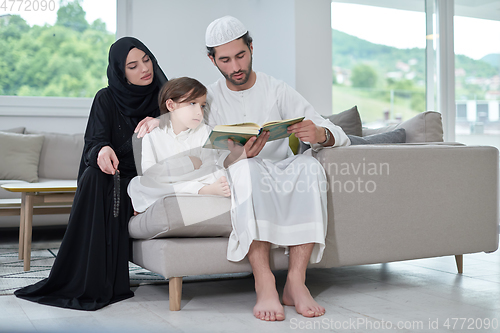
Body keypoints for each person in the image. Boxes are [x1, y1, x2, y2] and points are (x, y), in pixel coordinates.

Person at [204, 16, 351, 321]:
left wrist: (320, 134)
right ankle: (265, 281)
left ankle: (296, 282)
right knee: (247, 169)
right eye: (226, 60)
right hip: (243, 172)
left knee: (310, 167)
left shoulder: (277, 89)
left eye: (241, 55)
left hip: (282, 170)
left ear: (252, 47)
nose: (235, 67)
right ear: (212, 60)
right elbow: (203, 158)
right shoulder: (209, 99)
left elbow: (334, 130)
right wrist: (239, 157)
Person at [14, 37, 167, 311]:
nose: (144, 68)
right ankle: (88, 279)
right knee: (95, 177)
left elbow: (194, 118)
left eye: (147, 60)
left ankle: (104, 279)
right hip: (114, 175)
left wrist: (162, 120)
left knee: (108, 183)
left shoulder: (165, 99)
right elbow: (94, 142)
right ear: (121, 72)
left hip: (148, 180)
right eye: (133, 65)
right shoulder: (106, 98)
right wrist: (102, 150)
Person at [128, 77, 230, 214]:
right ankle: (199, 191)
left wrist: (172, 174)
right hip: (173, 183)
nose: (199, 112)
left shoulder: (205, 131)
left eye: (202, 106)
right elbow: (150, 173)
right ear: (171, 105)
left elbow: (209, 166)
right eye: (192, 103)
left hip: (188, 180)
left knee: (218, 173)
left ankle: (185, 192)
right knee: (136, 184)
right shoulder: (152, 135)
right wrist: (189, 162)